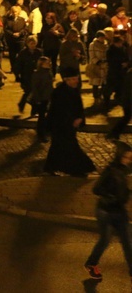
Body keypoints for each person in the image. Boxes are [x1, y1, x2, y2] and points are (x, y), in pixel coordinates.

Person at [84, 141, 132, 282]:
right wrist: (112, 198)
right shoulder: (110, 171)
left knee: (128, 242)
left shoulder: (124, 169)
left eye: (130, 158)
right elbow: (96, 189)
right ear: (119, 156)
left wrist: (126, 193)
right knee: (105, 240)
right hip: (105, 212)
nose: (128, 161)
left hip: (120, 211)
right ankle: (91, 263)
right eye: (126, 158)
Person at [44, 68, 96, 176]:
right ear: (66, 80)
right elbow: (58, 111)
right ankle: (77, 169)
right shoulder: (59, 93)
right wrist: (72, 120)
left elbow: (79, 107)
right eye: (73, 79)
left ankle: (51, 167)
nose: (76, 81)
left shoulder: (74, 90)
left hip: (68, 125)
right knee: (70, 146)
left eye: (76, 79)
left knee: (57, 147)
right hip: (60, 125)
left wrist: (80, 118)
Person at [30, 57, 54, 143]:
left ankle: (46, 130)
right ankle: (41, 133)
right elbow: (35, 88)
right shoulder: (38, 74)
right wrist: (38, 99)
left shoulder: (48, 72)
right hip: (42, 98)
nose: (49, 64)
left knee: (46, 115)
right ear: (41, 64)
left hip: (47, 97)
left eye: (49, 63)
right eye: (47, 63)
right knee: (42, 117)